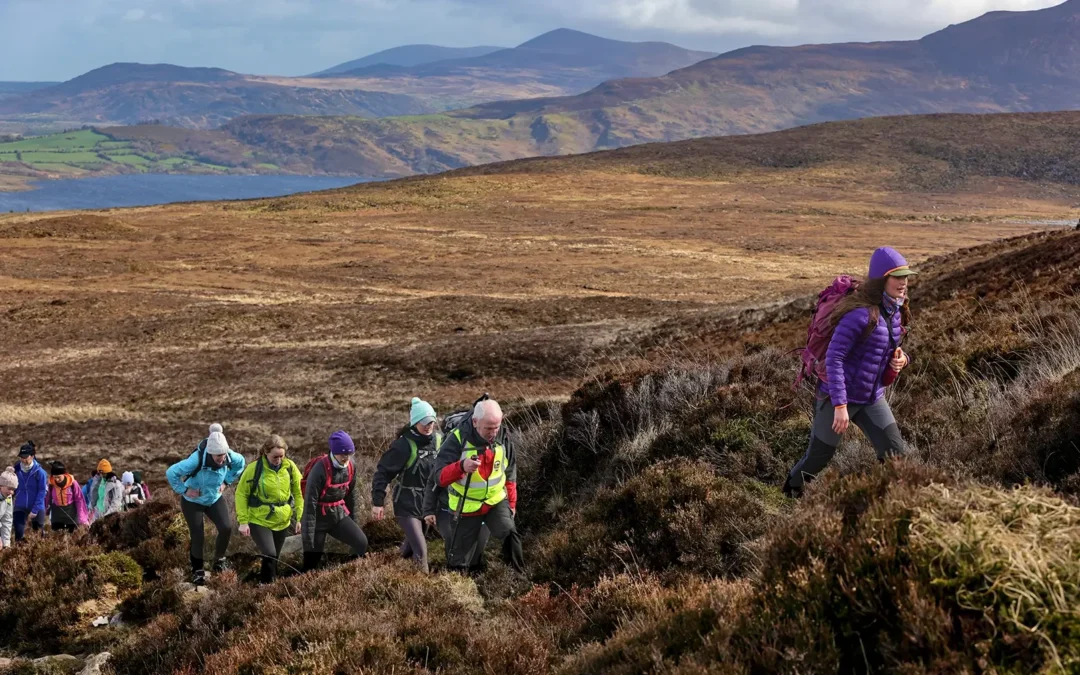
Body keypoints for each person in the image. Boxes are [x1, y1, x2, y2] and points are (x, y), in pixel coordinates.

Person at [784, 246, 914, 498]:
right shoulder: (858, 315)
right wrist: (841, 406)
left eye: (906, 276)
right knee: (818, 458)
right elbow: (834, 357)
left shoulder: (896, 310)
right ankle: (791, 489)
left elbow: (889, 348)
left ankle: (887, 502)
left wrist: (903, 359)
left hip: (871, 397)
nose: (903, 282)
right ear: (881, 280)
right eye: (897, 276)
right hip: (837, 398)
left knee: (896, 454)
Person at [433, 399, 525, 574]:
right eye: (488, 428)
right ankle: (456, 591)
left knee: (511, 535)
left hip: (495, 501)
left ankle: (519, 581)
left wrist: (511, 503)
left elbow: (510, 470)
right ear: (475, 422)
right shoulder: (456, 440)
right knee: (458, 559)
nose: (493, 433)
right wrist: (461, 467)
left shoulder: (503, 436)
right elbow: (439, 477)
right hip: (466, 506)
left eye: (496, 427)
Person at [166, 423, 245, 586]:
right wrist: (184, 490)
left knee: (226, 527)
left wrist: (226, 480)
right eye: (218, 457)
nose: (222, 459)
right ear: (210, 453)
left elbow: (240, 463)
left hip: (213, 499)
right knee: (198, 535)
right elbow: (171, 472)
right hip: (192, 502)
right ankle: (197, 570)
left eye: (223, 455)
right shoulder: (195, 460)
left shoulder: (229, 455)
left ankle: (219, 561)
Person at [371, 397, 443, 573]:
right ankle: (424, 591)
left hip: (428, 504)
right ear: (415, 422)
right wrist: (378, 502)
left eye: (432, 422)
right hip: (406, 503)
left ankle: (385, 569)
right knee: (421, 549)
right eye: (425, 423)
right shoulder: (403, 445)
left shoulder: (440, 441)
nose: (429, 426)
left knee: (410, 546)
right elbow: (382, 473)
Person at [235, 435, 303, 584]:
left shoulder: (290, 467)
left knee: (274, 557)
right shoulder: (254, 469)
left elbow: (299, 492)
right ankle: (268, 587)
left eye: (281, 456)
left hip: (282, 519)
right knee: (270, 554)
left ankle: (266, 584)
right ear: (266, 453)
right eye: (274, 457)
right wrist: (243, 521)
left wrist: (299, 517)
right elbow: (241, 494)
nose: (278, 460)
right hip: (259, 519)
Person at [301, 430, 368, 572]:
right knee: (312, 560)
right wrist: (308, 540)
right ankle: (303, 585)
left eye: (349, 454)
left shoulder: (351, 467)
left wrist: (354, 525)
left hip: (337, 515)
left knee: (361, 542)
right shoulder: (319, 469)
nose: (346, 458)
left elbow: (351, 497)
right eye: (343, 454)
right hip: (318, 519)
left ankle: (352, 575)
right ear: (334, 451)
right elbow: (309, 505)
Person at [12, 441, 47, 541]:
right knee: (18, 531)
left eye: (25, 457)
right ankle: (19, 553)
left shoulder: (40, 473)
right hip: (20, 505)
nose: (23, 459)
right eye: (21, 457)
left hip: (36, 506)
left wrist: (35, 509)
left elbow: (42, 491)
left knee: (38, 532)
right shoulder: (16, 469)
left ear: (32, 456)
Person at [46, 461, 89, 533]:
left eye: (59, 477)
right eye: (55, 477)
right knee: (57, 537)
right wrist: (45, 512)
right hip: (57, 515)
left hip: (71, 514)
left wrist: (83, 519)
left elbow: (79, 500)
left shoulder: (73, 484)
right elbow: (47, 499)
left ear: (64, 474)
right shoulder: (51, 485)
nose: (56, 479)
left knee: (72, 537)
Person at [0, 468, 17, 550]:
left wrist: (6, 543)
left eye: (13, 489)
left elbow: (7, 519)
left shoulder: (8, 497)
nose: (11, 492)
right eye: (9, 488)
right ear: (1, 485)